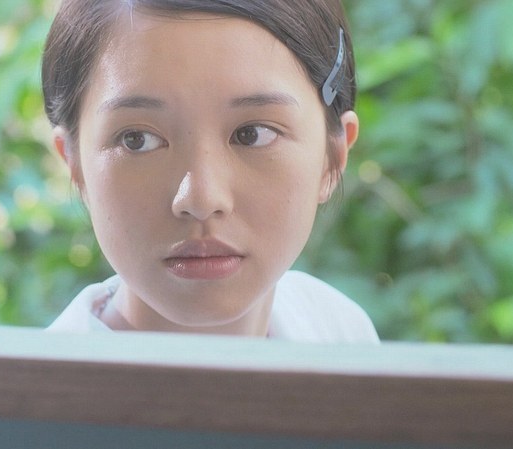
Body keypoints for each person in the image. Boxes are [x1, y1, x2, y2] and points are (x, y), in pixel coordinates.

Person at [42, 0, 378, 343]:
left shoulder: (341, 334)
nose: (201, 199)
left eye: (252, 135)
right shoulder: (26, 381)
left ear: (332, 158)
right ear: (74, 163)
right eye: (137, 139)